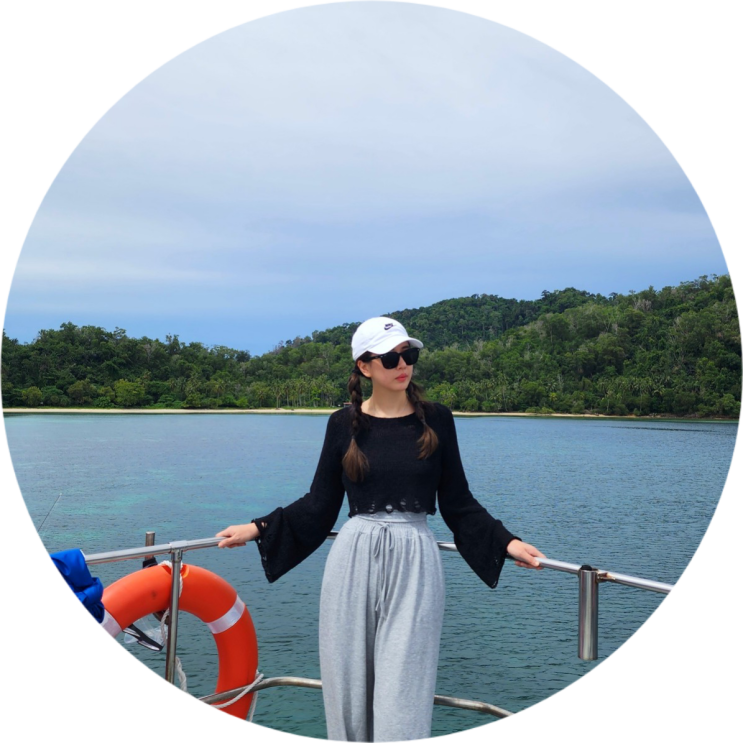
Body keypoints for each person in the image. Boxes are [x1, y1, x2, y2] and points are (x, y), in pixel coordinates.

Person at [217, 316, 544, 742]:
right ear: (364, 366)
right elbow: (319, 503)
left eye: (409, 354)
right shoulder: (342, 424)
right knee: (346, 683)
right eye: (390, 358)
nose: (403, 364)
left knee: (405, 687)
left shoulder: (437, 420)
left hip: (415, 561)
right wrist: (259, 527)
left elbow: (458, 502)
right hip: (353, 558)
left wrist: (507, 542)